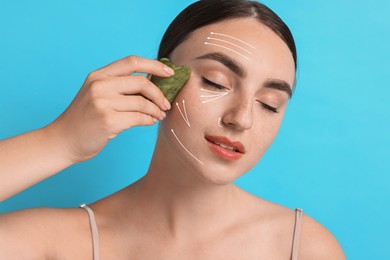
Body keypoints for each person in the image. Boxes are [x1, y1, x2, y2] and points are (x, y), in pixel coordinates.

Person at [0, 0, 346, 259]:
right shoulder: (56, 244)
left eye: (270, 103)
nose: (242, 119)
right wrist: (60, 142)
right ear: (158, 79)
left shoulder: (304, 246)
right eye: (215, 81)